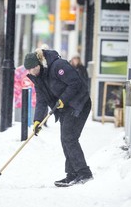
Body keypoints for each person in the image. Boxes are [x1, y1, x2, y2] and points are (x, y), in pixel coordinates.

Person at [24, 48, 93, 187]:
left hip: (80, 103)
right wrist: (37, 121)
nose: (32, 71)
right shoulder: (38, 78)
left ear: (40, 63)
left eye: (34, 67)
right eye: (29, 69)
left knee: (69, 137)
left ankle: (84, 173)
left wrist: (63, 99)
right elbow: (41, 100)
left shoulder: (58, 65)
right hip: (66, 107)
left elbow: (76, 83)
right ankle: (72, 174)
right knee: (66, 138)